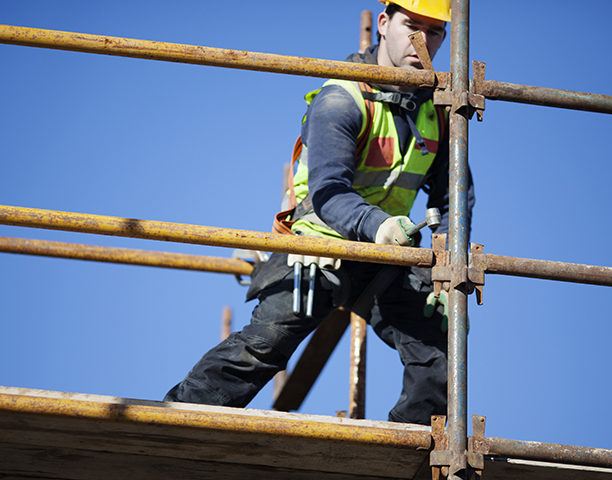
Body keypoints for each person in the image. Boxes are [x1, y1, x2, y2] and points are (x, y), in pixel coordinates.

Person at [164, 0, 474, 426]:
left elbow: (457, 196)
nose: (421, 40)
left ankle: (403, 451)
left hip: (387, 258)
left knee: (442, 348)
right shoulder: (341, 98)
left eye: (434, 30)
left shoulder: (439, 110)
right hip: (318, 247)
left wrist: (448, 265)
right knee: (262, 347)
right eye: (411, 25)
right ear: (383, 24)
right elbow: (329, 191)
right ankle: (173, 422)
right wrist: (378, 225)